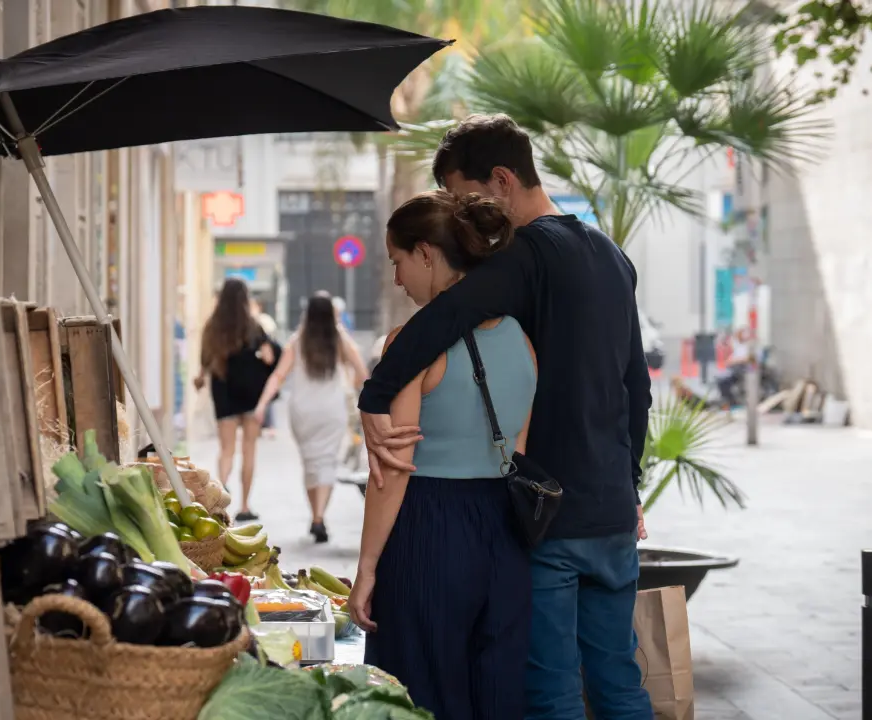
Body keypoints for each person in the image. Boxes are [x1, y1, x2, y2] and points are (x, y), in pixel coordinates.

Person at [358, 114, 654, 720]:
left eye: (461, 194)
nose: (464, 216)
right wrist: (631, 485)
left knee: (552, 694)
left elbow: (443, 318)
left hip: (549, 516)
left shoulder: (527, 254)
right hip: (613, 515)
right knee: (621, 685)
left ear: (501, 180)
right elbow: (637, 387)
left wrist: (373, 396)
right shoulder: (611, 255)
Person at [347, 190, 537, 719]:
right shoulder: (522, 340)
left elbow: (392, 468)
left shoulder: (411, 344)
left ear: (426, 254)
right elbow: (517, 449)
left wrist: (366, 567)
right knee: (496, 693)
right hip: (506, 533)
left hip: (430, 527)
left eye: (398, 261)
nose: (397, 279)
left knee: (422, 691)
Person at [252, 292, 368, 543]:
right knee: (326, 461)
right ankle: (319, 516)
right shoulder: (339, 338)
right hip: (331, 409)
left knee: (310, 462)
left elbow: (278, 376)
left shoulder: (297, 340)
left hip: (302, 410)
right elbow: (362, 372)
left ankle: (315, 516)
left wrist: (262, 404)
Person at [194, 277, 279, 522]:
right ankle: (244, 505)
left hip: (223, 390)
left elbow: (204, 361)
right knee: (249, 448)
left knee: (227, 449)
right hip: (251, 391)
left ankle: (219, 499)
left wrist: (200, 378)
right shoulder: (254, 326)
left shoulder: (212, 327)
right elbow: (269, 357)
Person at [249, 296, 280, 438]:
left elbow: (269, 347)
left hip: (262, 368)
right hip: (257, 368)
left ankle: (269, 425)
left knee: (267, 396)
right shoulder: (251, 323)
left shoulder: (263, 322)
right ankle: (261, 425)